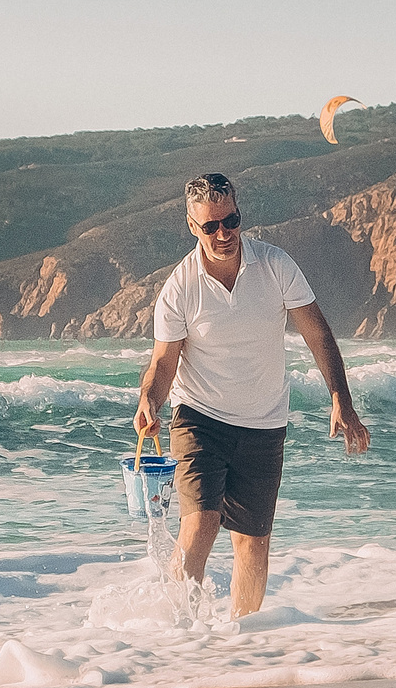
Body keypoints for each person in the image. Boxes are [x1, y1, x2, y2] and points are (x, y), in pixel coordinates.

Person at [132, 172, 370, 618]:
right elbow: (163, 364)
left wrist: (341, 397)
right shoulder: (179, 288)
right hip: (199, 417)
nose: (223, 234)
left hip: (263, 423)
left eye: (231, 220)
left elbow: (318, 334)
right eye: (210, 226)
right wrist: (150, 401)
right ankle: (174, 633)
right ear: (191, 226)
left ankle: (244, 645)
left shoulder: (275, 266)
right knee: (201, 523)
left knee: (253, 542)